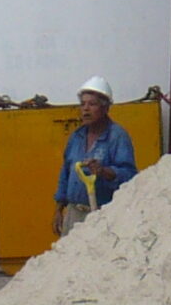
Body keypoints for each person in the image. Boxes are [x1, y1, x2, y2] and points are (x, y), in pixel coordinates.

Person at [52, 76, 139, 238]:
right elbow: (65, 174)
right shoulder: (76, 137)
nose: (85, 109)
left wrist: (105, 171)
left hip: (104, 214)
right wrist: (58, 210)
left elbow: (131, 176)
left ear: (105, 108)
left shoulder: (117, 137)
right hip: (74, 214)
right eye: (82, 104)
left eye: (92, 104)